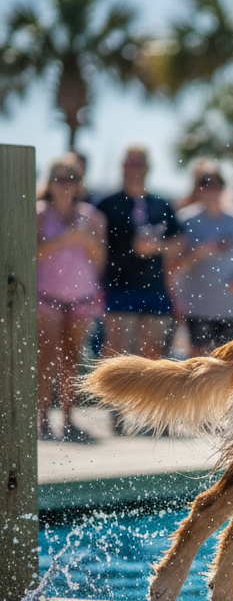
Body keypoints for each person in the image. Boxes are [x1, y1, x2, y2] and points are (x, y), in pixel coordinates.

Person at [36, 155, 106, 443]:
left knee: (71, 359)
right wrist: (66, 237)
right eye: (59, 178)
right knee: (46, 358)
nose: (65, 185)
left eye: (71, 179)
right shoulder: (38, 213)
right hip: (47, 296)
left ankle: (67, 418)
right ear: (50, 183)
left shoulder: (93, 216)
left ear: (79, 184)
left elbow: (100, 259)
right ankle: (40, 419)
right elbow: (32, 251)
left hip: (81, 297)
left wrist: (85, 239)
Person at [96, 146, 185, 367]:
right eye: (130, 164)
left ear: (148, 168)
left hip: (153, 287)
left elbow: (179, 243)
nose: (134, 169)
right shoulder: (107, 204)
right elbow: (96, 247)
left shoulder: (161, 204)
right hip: (116, 287)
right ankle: (112, 403)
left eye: (139, 164)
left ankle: (142, 403)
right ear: (122, 167)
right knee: (115, 352)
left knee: (151, 353)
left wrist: (157, 247)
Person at [172, 160, 233, 355]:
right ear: (198, 188)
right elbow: (174, 265)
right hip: (198, 307)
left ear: (224, 188)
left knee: (232, 367)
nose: (211, 190)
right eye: (205, 184)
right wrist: (198, 253)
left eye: (216, 184)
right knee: (198, 367)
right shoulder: (185, 220)